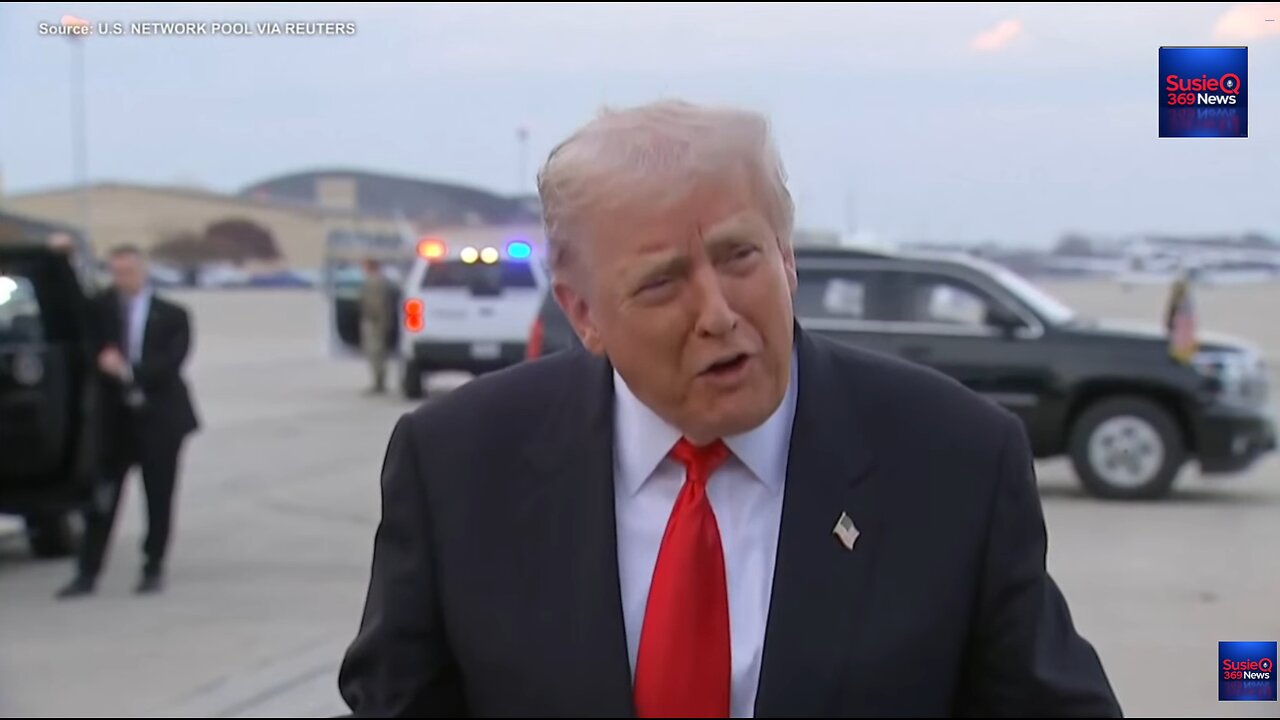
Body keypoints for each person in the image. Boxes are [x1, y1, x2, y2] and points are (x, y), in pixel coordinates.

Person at [338, 100, 1122, 717]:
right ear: (582, 314)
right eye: (661, 282)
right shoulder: (457, 467)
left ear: (787, 257)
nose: (717, 312)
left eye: (740, 256)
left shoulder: (952, 459)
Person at [58, 244, 200, 598]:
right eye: (115, 272)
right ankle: (87, 572)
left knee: (158, 497)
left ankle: (153, 566)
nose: (121, 280)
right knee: (103, 498)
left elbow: (172, 362)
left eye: (127, 272)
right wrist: (64, 259)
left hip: (160, 419)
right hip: (115, 422)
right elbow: (73, 308)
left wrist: (127, 370)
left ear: (143, 271)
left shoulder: (173, 314)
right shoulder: (102, 308)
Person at [358, 257, 392, 394]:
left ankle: (379, 383)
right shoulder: (380, 280)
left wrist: (380, 322)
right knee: (377, 353)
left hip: (375, 321)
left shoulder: (374, 281)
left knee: (376, 352)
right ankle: (379, 381)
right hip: (376, 320)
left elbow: (376, 304)